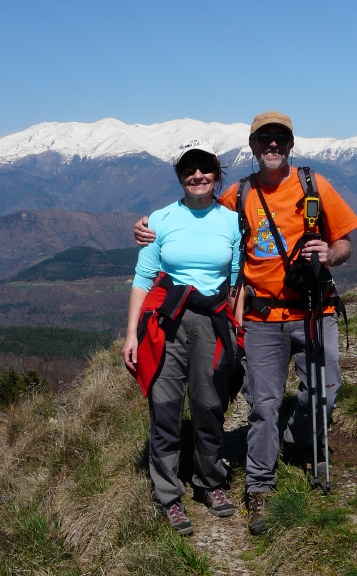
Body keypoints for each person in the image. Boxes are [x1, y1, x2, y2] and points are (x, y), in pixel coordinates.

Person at [134, 111, 357, 535]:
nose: (272, 145)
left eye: (279, 138)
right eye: (264, 139)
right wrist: (148, 226)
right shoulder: (238, 195)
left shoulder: (314, 186)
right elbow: (197, 214)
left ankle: (295, 443)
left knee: (325, 391)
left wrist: (331, 254)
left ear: (290, 145)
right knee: (264, 405)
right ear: (253, 147)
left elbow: (345, 239)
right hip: (260, 317)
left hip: (314, 309)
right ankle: (259, 486)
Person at [122, 140, 241, 536]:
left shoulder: (231, 221)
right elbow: (143, 278)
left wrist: (237, 329)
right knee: (166, 408)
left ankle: (210, 481)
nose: (197, 176)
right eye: (189, 170)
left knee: (209, 404)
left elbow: (238, 280)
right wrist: (131, 336)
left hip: (212, 320)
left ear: (216, 174)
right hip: (167, 320)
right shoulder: (160, 219)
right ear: (179, 176)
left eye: (204, 169)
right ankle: (168, 494)